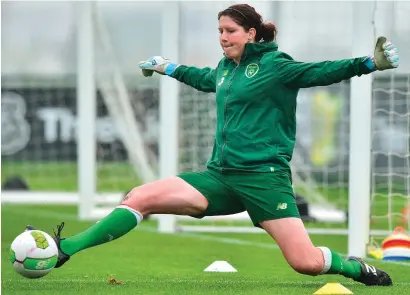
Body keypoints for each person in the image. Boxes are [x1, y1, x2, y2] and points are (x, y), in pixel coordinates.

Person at [29, 4, 399, 286]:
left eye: (230, 30)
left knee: (305, 263)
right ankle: (66, 250)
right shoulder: (225, 68)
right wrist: (167, 67)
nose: (223, 37)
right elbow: (204, 78)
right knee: (140, 196)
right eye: (219, 31)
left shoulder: (276, 66)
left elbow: (320, 71)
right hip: (219, 177)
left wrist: (368, 62)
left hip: (263, 180)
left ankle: (354, 267)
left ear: (251, 33)